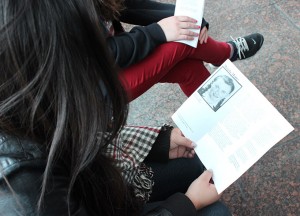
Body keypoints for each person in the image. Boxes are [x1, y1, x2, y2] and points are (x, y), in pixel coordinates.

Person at [0, 1, 233, 215]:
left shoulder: (39, 108)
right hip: (107, 200)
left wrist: (160, 143)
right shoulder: (29, 193)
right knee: (216, 212)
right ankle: (228, 54)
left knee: (195, 162)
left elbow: (94, 143)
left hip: (107, 185)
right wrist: (187, 204)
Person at [101, 0, 264, 101]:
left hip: (118, 61)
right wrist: (158, 32)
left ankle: (226, 125)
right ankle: (226, 53)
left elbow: (131, 5)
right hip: (95, 89)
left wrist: (192, 19)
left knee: (189, 69)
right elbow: (98, 55)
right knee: (183, 41)